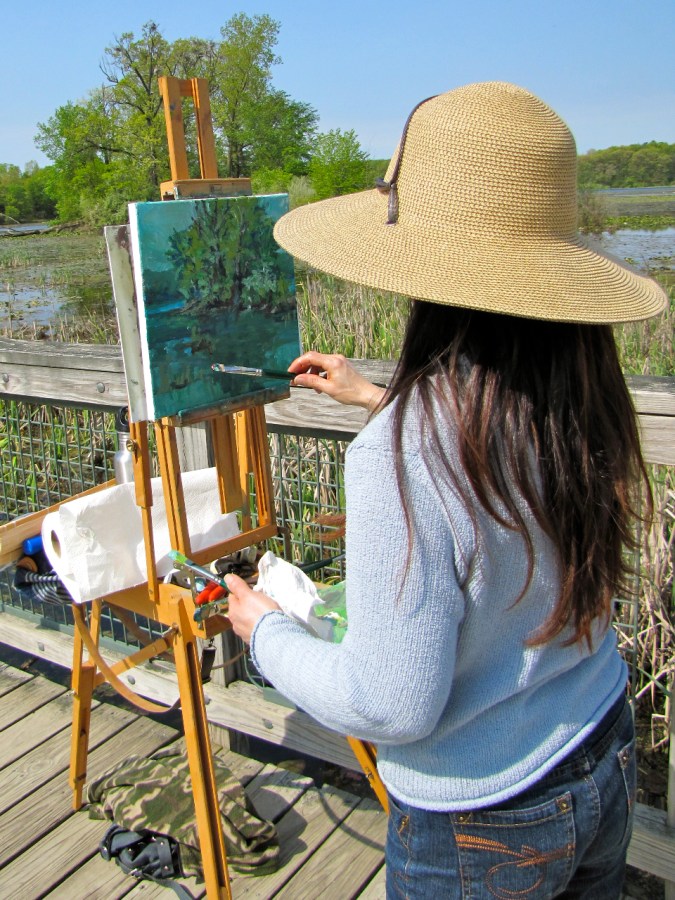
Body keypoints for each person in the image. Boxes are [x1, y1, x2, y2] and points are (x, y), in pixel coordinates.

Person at [225, 82, 667, 898]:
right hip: (601, 741)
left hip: (483, 812)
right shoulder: (577, 387)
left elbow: (390, 707)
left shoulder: (400, 455)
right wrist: (375, 397)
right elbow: (491, 462)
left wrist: (265, 633)